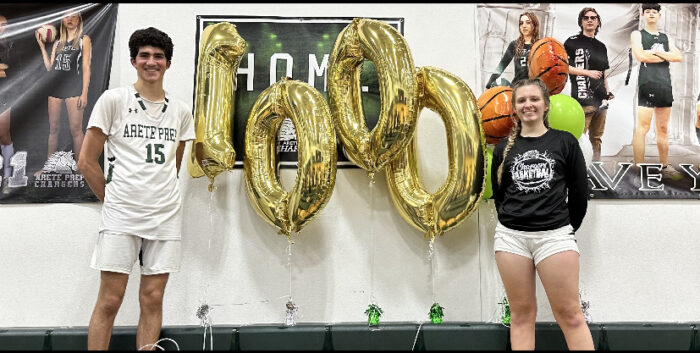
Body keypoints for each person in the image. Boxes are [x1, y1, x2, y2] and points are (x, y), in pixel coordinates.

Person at [78, 27, 195, 350]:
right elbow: (86, 162)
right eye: (144, 55)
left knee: (153, 298)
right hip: (122, 216)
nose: (151, 62)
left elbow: (174, 165)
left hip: (164, 217)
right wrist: (113, 200)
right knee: (110, 300)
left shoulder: (181, 111)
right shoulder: (114, 100)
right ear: (133, 60)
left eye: (158, 56)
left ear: (168, 63)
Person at [491, 78, 593, 350]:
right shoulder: (504, 148)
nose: (528, 105)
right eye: (522, 100)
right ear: (514, 108)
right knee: (521, 316)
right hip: (511, 240)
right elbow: (500, 196)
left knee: (571, 316)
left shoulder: (565, 142)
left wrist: (562, 227)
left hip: (555, 237)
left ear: (546, 104)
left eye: (534, 99)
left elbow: (580, 194)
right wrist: (515, 221)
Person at [35, 11, 91, 176]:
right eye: (67, 16)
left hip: (74, 88)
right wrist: (41, 47)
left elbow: (87, 67)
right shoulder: (57, 41)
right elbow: (49, 68)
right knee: (53, 128)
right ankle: (48, 167)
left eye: (74, 16)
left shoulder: (83, 39)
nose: (70, 19)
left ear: (79, 19)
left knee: (76, 129)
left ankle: (81, 170)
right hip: (55, 88)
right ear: (62, 20)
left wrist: (84, 93)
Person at [630, 3, 683, 180]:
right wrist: (663, 54)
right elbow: (641, 56)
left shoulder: (667, 37)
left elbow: (678, 57)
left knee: (662, 129)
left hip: (664, 85)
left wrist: (656, 53)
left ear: (659, 16)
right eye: (648, 12)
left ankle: (665, 166)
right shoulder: (637, 34)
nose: (651, 14)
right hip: (647, 84)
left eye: (655, 12)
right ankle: (637, 168)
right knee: (642, 128)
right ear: (643, 15)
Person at [564, 7, 613, 162]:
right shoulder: (571, 42)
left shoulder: (601, 46)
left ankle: (595, 172)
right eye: (586, 18)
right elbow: (563, 67)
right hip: (582, 100)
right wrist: (587, 72)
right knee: (580, 138)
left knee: (597, 139)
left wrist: (608, 91)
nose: (590, 20)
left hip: (601, 101)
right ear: (581, 22)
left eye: (593, 18)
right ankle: (579, 171)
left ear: (598, 22)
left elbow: (604, 73)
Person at [486, 12, 541, 89]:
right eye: (521, 23)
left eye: (528, 23)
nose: (524, 26)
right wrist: (490, 83)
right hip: (517, 87)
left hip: (535, 87)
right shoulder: (515, 44)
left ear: (534, 25)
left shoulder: (540, 44)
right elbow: (502, 65)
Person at [0, 13, 17, 193]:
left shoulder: (13, 44)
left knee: (4, 134)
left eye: (4, 24)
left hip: (6, 94)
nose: (1, 27)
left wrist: (3, 69)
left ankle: (7, 176)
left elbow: (13, 69)